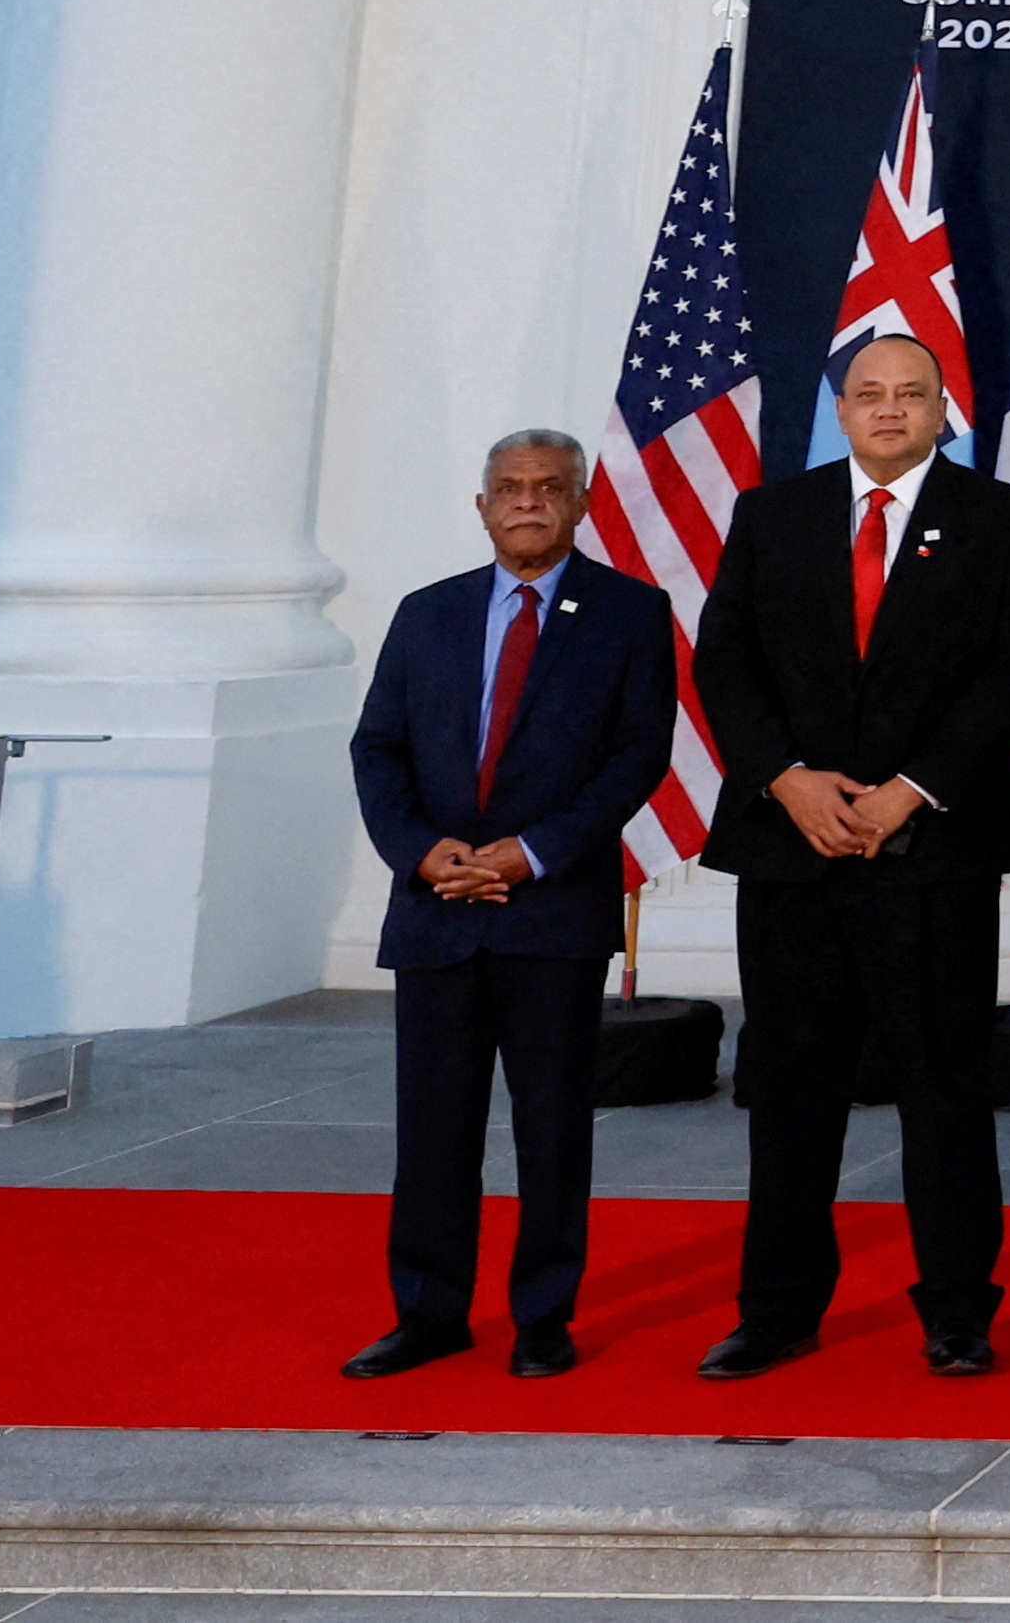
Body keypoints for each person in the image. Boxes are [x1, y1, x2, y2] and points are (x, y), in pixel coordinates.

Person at [690, 330, 1010, 1379]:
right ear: (840, 409)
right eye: (868, 393)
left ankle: (955, 1312)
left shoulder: (1003, 518)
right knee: (789, 1086)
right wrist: (787, 777)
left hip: (929, 850)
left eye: (911, 393)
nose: (889, 409)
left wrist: (908, 789)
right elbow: (726, 659)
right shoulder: (773, 514)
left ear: (945, 409)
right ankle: (777, 1311)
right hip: (791, 849)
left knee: (943, 1087)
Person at [339, 426, 681, 1380]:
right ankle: (429, 1312)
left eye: (549, 486)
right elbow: (378, 750)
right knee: (433, 1131)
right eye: (509, 487)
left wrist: (532, 854)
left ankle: (542, 1316)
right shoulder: (426, 614)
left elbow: (636, 756)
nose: (528, 500)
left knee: (552, 1126)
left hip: (551, 914)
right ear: (482, 506)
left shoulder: (629, 613)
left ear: (577, 504)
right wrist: (424, 853)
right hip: (437, 907)